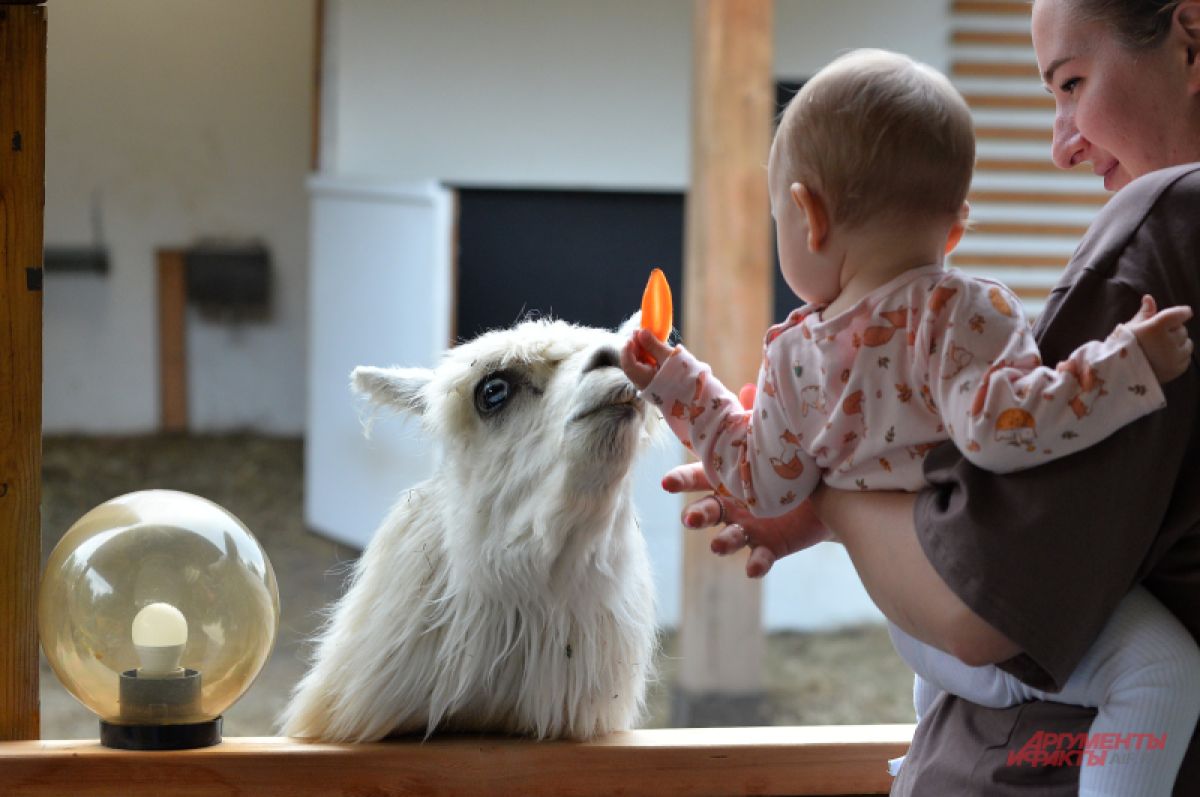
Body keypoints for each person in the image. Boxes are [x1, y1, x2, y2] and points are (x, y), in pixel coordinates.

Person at [621, 46, 1195, 797]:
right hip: (964, 610)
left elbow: (757, 479)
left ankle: (917, 763)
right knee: (1160, 670)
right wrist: (1128, 366)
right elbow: (1009, 426)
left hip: (916, 633)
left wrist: (677, 378)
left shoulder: (796, 355)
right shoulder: (964, 315)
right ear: (956, 226)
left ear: (808, 215)